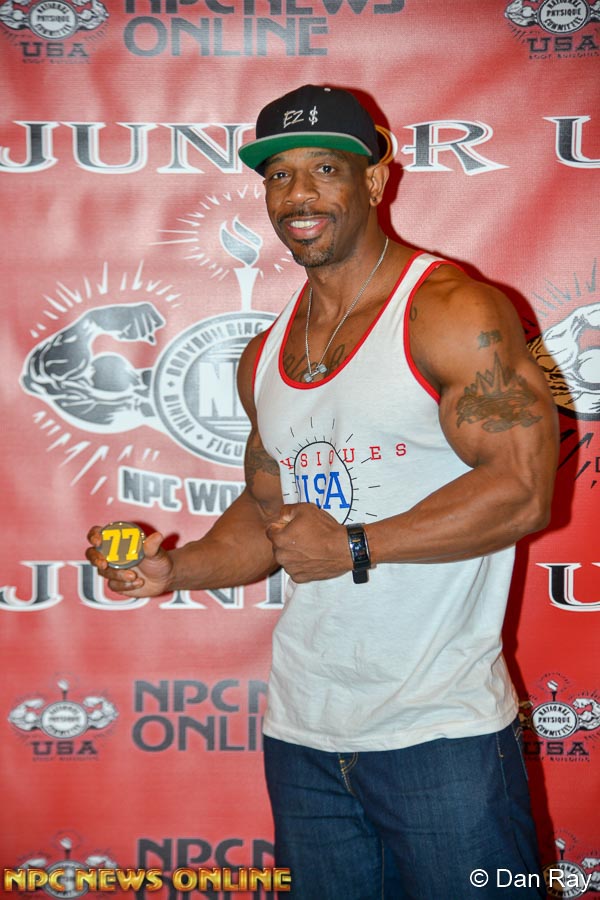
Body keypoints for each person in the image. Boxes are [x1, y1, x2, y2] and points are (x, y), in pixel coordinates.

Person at [87, 85, 559, 898]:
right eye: (279, 176)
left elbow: (521, 492)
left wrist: (354, 547)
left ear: (374, 180)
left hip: (438, 732)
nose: (298, 195)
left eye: (325, 170)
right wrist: (177, 568)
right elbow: (267, 512)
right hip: (303, 732)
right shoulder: (266, 354)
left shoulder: (450, 310)